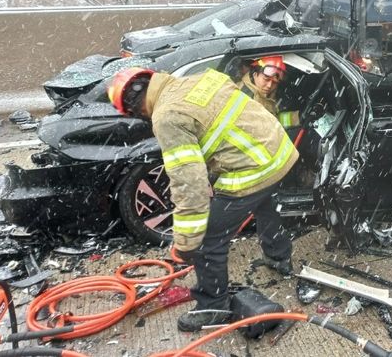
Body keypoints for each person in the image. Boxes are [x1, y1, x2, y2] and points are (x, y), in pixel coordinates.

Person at [108, 67, 299, 332]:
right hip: (279, 152)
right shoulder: (203, 79)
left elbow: (190, 186)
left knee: (209, 238)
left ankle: (213, 306)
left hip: (255, 166)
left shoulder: (167, 117)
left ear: (135, 109)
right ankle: (279, 258)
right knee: (264, 204)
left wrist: (188, 242)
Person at [237, 55, 301, 128]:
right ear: (254, 74)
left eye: (274, 82)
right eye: (266, 79)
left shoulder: (262, 95)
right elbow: (269, 127)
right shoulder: (246, 97)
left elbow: (273, 120)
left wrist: (298, 118)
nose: (269, 86)